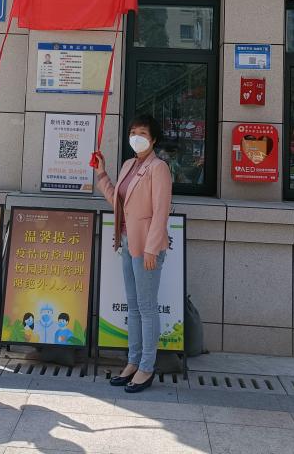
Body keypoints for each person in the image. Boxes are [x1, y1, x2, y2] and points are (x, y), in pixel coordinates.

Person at [93, 114, 172, 394]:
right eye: (133, 132)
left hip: (147, 247)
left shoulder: (158, 168)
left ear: (153, 139)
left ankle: (147, 367)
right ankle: (133, 362)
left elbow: (161, 211)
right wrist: (102, 174)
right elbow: (118, 201)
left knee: (147, 308)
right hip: (127, 243)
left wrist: (152, 248)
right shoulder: (129, 165)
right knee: (134, 307)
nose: (136, 137)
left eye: (142, 133)